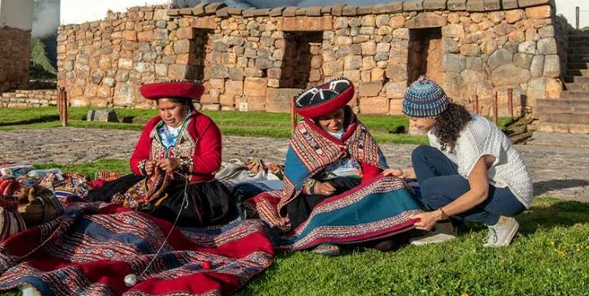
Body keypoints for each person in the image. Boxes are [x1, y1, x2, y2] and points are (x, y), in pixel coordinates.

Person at [253, 78, 425, 255]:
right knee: (296, 199)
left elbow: (371, 165)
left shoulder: (356, 130)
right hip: (322, 186)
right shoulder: (305, 133)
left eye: (337, 115)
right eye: (326, 119)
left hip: (353, 183)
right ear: (316, 120)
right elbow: (295, 174)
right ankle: (315, 239)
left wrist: (366, 192)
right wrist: (315, 186)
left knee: (391, 184)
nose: (334, 122)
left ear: (345, 111)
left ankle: (369, 235)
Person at [383, 77, 533, 248]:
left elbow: (480, 192)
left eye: (415, 119)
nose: (413, 124)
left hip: (511, 195)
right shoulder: (439, 128)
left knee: (432, 190)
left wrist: (437, 214)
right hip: (487, 182)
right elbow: (446, 165)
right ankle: (446, 228)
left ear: (432, 113)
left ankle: (501, 222)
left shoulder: (469, 135)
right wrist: (404, 173)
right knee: (422, 155)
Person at [86, 80, 237, 227]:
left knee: (163, 213)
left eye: (171, 108)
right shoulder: (154, 125)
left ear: (185, 105)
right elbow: (135, 159)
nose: (167, 115)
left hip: (191, 187)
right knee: (105, 196)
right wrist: (145, 166)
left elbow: (213, 162)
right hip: (154, 183)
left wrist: (178, 163)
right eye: (162, 109)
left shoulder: (203, 124)